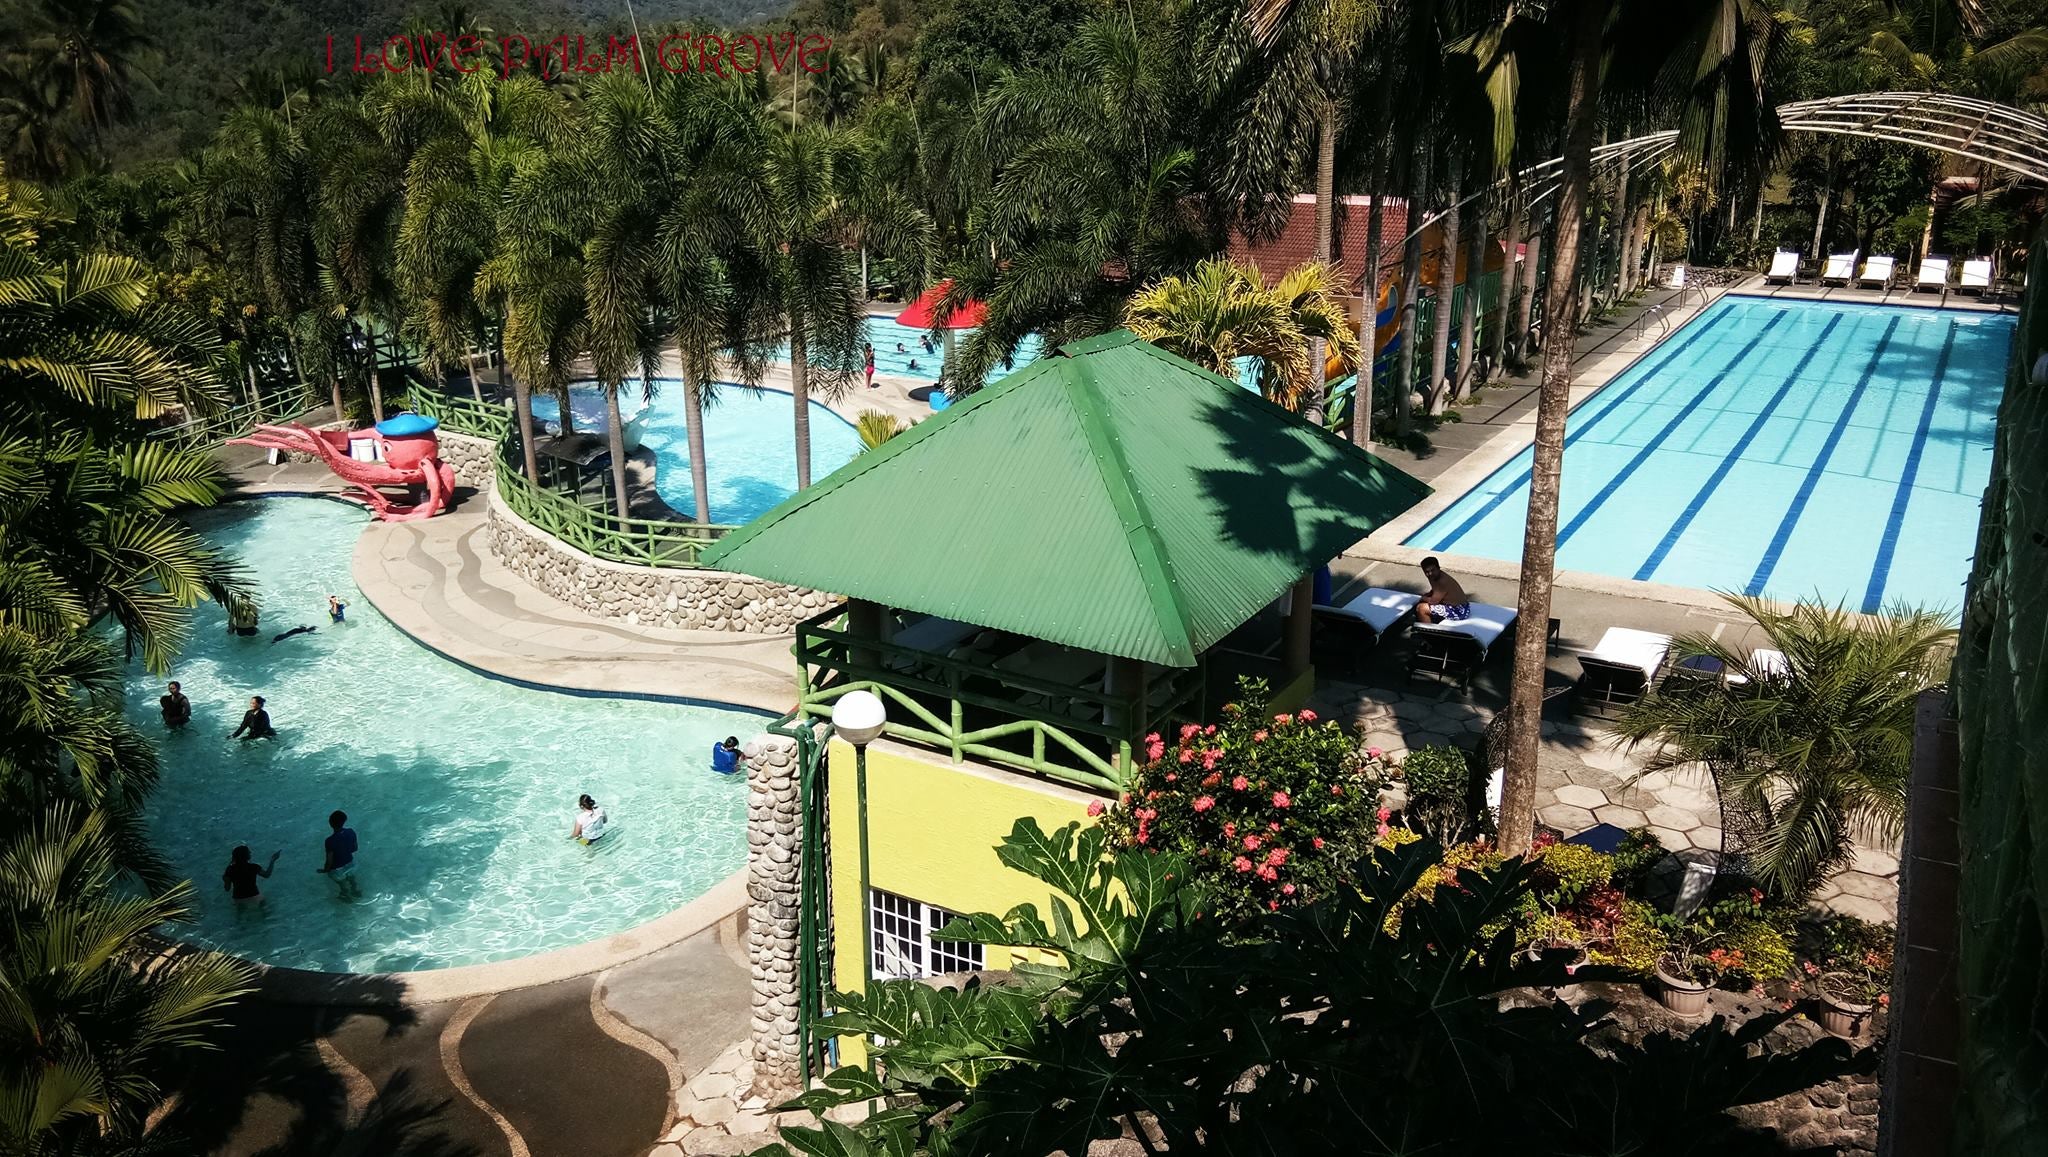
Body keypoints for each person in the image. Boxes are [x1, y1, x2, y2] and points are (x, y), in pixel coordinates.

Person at [1416, 556, 1472, 624]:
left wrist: (1423, 598)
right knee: (1424, 600)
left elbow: (1433, 602)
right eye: (1427, 572)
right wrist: (1428, 594)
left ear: (1438, 568)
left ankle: (1428, 631)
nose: (1430, 574)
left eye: (1432, 570)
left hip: (1459, 611)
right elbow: (1435, 590)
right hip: (1458, 606)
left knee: (1421, 608)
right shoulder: (1435, 576)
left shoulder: (1442, 581)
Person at [319, 810, 360, 898]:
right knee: (352, 879)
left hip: (337, 870)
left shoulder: (329, 841)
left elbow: (329, 860)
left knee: (342, 884)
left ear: (330, 823)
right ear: (344, 821)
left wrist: (325, 870)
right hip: (351, 864)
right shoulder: (351, 832)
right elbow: (355, 848)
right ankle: (355, 891)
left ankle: (345, 895)